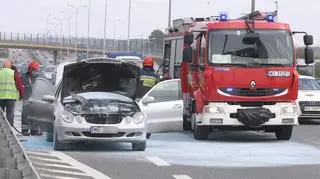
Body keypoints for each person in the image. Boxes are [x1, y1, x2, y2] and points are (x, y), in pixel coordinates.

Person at [0, 60, 24, 127]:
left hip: (1, 97)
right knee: (9, 115)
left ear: (3, 66)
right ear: (10, 66)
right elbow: (19, 85)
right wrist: (21, 95)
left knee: (0, 114)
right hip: (11, 97)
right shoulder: (14, 73)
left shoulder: (0, 72)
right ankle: (9, 128)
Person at [21, 60, 42, 136]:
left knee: (36, 115)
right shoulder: (24, 76)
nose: (36, 72)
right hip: (27, 99)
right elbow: (20, 86)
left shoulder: (39, 78)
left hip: (36, 99)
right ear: (30, 70)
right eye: (34, 70)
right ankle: (25, 130)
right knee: (25, 115)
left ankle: (34, 130)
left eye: (37, 70)